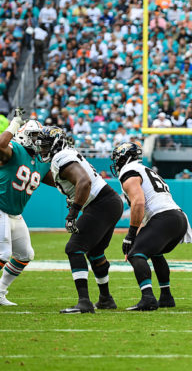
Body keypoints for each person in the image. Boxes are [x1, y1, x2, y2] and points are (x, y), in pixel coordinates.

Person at [36, 127, 123, 314]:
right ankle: (106, 299)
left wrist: (73, 212)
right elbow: (60, 180)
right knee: (96, 253)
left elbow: (84, 181)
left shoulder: (62, 157)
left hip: (101, 203)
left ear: (56, 144)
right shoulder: (64, 156)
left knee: (74, 248)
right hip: (109, 202)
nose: (42, 149)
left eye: (45, 145)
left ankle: (84, 302)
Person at [110, 142, 192, 311]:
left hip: (164, 217)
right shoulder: (147, 170)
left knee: (135, 254)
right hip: (178, 218)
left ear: (125, 158)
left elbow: (139, 202)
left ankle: (148, 298)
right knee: (155, 253)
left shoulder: (129, 171)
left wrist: (131, 235)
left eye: (118, 159)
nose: (117, 164)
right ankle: (166, 296)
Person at [0, 111, 52, 306]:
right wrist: (14, 124)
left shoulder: (40, 162)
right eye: (35, 137)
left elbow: (58, 181)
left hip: (14, 213)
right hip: (1, 207)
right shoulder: (15, 150)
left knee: (24, 255)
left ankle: (0, 291)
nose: (39, 141)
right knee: (3, 254)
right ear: (23, 135)